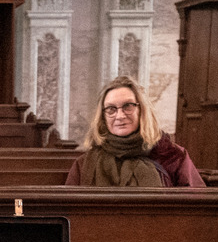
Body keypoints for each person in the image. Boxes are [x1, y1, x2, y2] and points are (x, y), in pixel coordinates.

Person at [65, 76, 205, 188]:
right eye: (111, 109)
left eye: (128, 106)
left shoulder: (173, 157)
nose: (120, 116)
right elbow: (69, 213)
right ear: (103, 116)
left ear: (142, 110)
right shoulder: (84, 164)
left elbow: (195, 209)